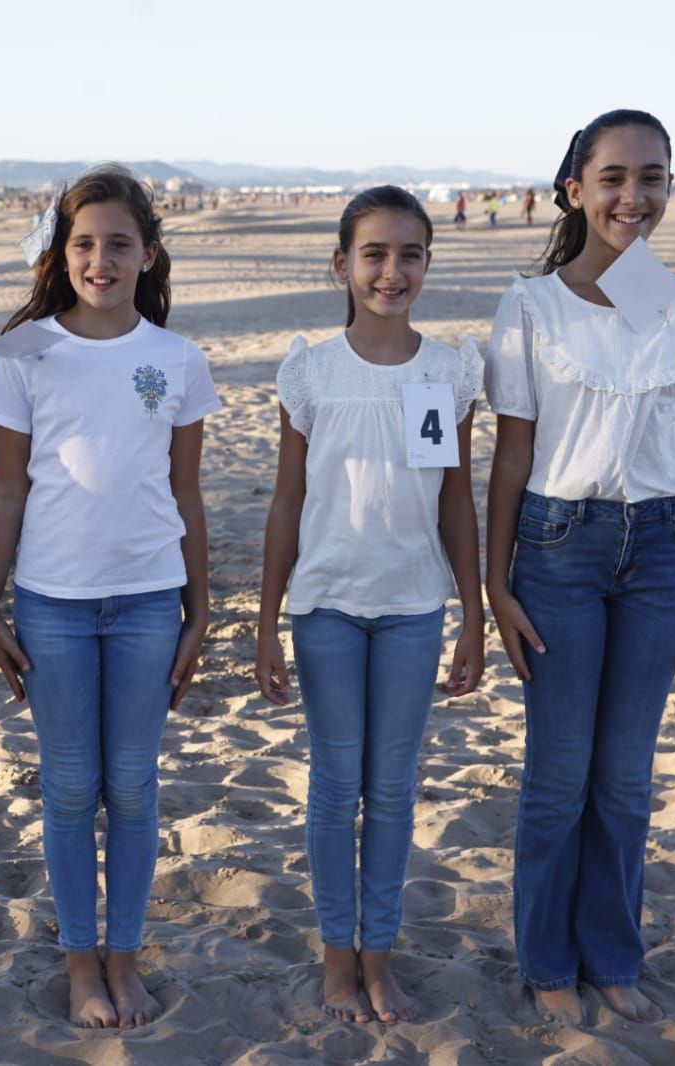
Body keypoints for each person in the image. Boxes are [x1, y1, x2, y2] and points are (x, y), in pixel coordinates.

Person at [485, 109, 675, 1026]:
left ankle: (612, 957)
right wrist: (495, 580)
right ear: (574, 189)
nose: (635, 196)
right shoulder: (530, 306)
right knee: (557, 776)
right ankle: (548, 962)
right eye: (616, 177)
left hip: (666, 554)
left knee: (625, 778)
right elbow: (512, 454)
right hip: (558, 549)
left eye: (653, 177)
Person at [0, 165, 221, 1029]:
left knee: (134, 785)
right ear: (60, 251)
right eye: (83, 243)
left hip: (151, 602)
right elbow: (8, 490)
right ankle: (82, 967)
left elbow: (185, 493)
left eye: (119, 243)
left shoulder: (175, 358)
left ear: (149, 254)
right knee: (72, 786)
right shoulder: (27, 351)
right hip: (53, 604)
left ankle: (126, 960)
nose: (100, 259)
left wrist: (201, 610)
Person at [254, 186, 484, 1026]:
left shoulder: (450, 369)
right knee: (332, 785)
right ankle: (336, 962)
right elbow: (285, 502)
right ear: (342, 263)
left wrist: (473, 613)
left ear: (428, 262)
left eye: (409, 254)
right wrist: (267, 619)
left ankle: (378, 957)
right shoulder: (310, 370)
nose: (392, 271)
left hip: (413, 608)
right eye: (374, 254)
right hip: (325, 610)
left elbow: (457, 500)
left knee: (391, 790)